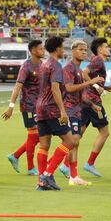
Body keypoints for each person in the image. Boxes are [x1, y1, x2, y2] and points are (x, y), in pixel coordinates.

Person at [59, 40, 104, 186]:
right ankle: (52, 168)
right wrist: (91, 82)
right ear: (73, 51)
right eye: (81, 49)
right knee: (73, 141)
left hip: (77, 109)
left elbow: (80, 93)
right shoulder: (68, 68)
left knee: (75, 142)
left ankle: (74, 176)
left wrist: (91, 105)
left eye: (85, 50)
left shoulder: (78, 69)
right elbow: (70, 88)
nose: (84, 52)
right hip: (68, 109)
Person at [35, 36, 76, 191]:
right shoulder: (56, 66)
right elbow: (54, 88)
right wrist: (62, 110)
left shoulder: (43, 64)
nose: (63, 50)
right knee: (70, 141)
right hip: (52, 109)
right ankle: (47, 174)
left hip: (39, 108)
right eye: (62, 47)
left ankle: (41, 181)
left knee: (44, 145)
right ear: (57, 48)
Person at [2, 40, 44, 176]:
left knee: (39, 136)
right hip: (28, 105)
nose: (43, 51)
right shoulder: (26, 66)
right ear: (33, 51)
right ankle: (31, 168)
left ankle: (15, 155)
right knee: (34, 134)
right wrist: (11, 107)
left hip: (40, 106)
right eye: (40, 49)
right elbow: (18, 87)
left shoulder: (43, 65)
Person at [81, 37, 111, 177]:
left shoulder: (96, 59)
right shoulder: (98, 60)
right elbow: (84, 73)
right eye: (106, 46)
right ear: (100, 49)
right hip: (93, 102)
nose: (108, 49)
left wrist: (104, 87)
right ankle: (90, 163)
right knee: (105, 132)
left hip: (85, 100)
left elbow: (91, 76)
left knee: (76, 135)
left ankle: (62, 164)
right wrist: (95, 86)